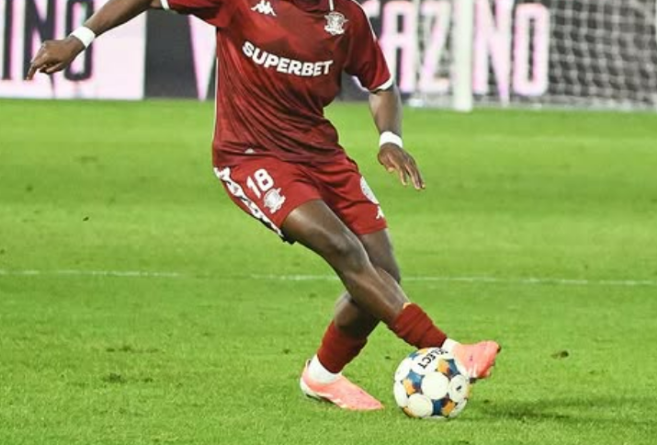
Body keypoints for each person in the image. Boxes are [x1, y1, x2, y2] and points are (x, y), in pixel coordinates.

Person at [27, 0, 500, 411]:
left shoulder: (346, 18)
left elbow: (381, 85)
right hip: (250, 156)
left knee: (383, 273)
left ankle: (323, 375)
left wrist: (389, 139)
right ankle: (450, 350)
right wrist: (77, 40)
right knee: (342, 248)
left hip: (322, 155)